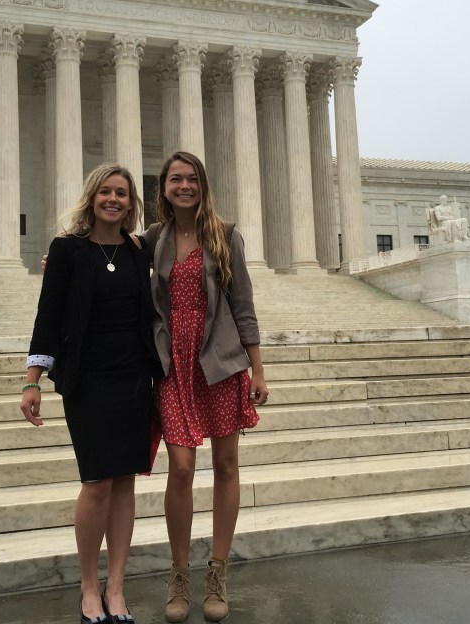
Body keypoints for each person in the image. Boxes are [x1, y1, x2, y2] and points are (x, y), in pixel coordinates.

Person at [21, 163, 157, 624]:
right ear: (91, 198)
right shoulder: (67, 251)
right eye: (105, 192)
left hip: (135, 377)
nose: (113, 199)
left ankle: (116, 588)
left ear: (131, 202)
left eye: (121, 193)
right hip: (89, 381)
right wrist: (32, 379)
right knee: (96, 482)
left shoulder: (139, 251)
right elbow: (48, 316)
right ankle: (87, 587)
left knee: (124, 484)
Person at [143, 151, 269, 622]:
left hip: (220, 361)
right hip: (173, 364)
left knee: (226, 465)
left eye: (192, 178)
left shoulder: (225, 235)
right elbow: (105, 251)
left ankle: (217, 571)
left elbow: (244, 304)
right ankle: (179, 573)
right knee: (180, 467)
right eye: (176, 179)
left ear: (203, 184)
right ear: (164, 187)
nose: (184, 186)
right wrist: (65, 258)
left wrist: (257, 368)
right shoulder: (153, 239)